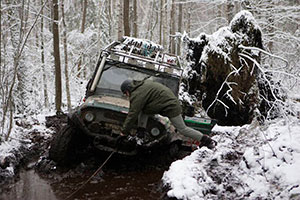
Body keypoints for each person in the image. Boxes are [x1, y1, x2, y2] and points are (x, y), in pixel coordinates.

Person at [120, 79, 216, 149]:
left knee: (182, 129)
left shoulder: (137, 94)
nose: (126, 96)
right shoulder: (142, 86)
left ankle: (207, 140)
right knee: (144, 111)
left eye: (125, 93)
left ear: (128, 90)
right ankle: (140, 135)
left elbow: (133, 113)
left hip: (171, 107)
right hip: (166, 104)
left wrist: (123, 132)